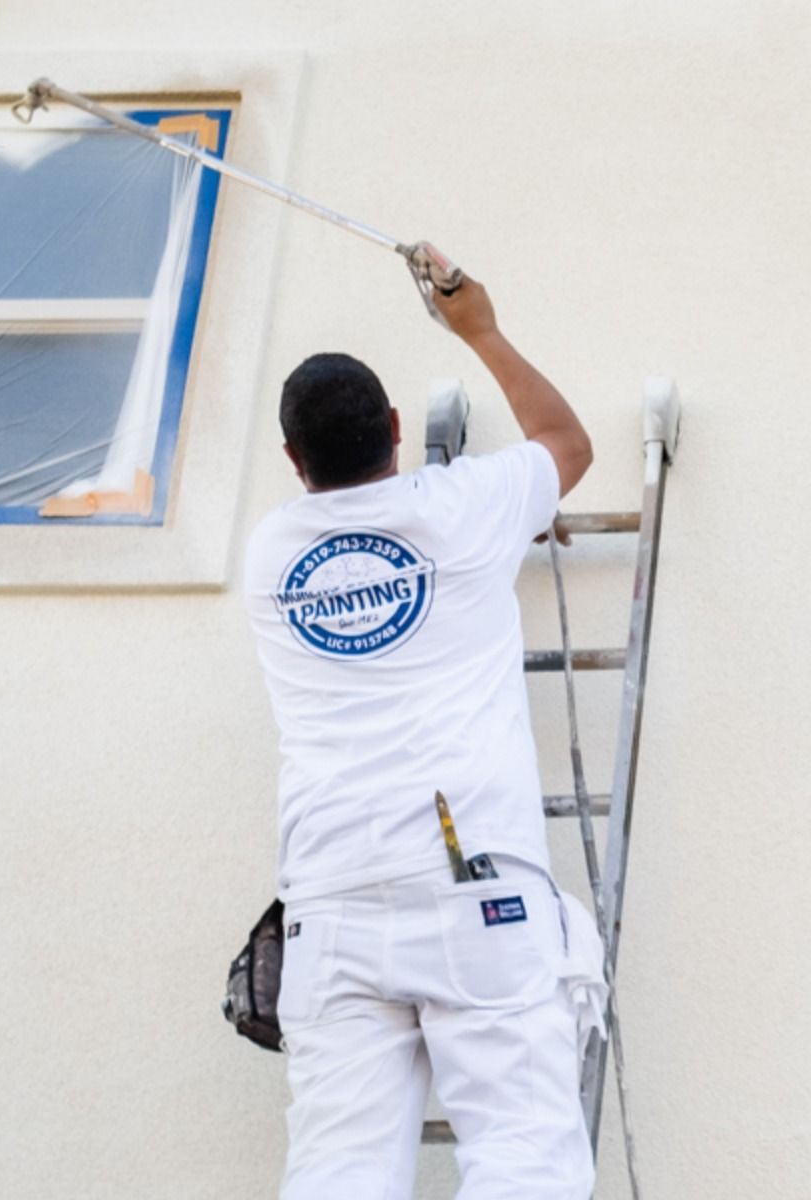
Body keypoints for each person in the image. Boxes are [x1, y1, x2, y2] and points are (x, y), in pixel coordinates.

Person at [243, 275, 607, 1200]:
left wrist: (505, 520)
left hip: (331, 897)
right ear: (397, 425)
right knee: (525, 1155)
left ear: (294, 460)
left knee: (337, 1175)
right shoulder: (463, 509)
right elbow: (565, 443)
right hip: (470, 878)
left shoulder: (271, 556)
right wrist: (477, 325)